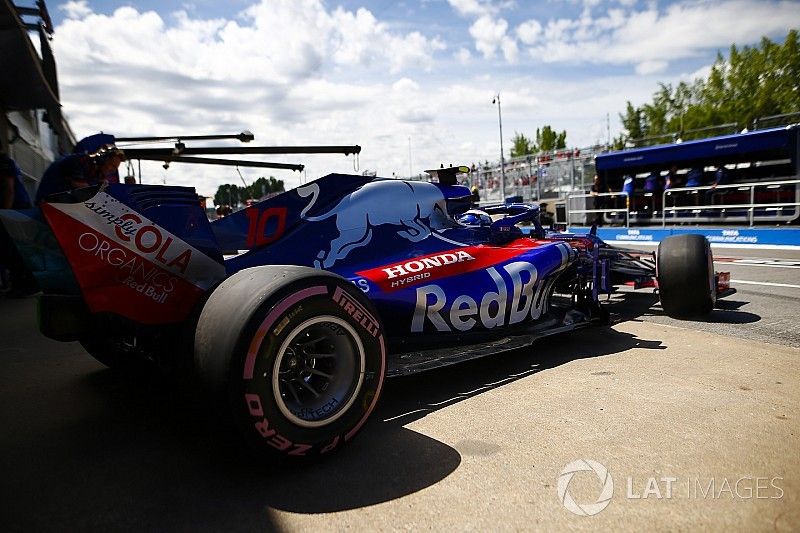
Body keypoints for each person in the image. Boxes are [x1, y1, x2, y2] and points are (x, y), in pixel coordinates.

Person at [0, 152, 37, 296]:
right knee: (15, 249)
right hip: (20, 209)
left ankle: (25, 286)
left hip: (14, 209)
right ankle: (22, 285)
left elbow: (9, 189)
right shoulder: (8, 161)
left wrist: (5, 213)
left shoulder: (3, 163)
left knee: (12, 250)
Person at [35, 146, 125, 204]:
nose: (113, 170)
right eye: (112, 165)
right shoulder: (79, 161)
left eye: (115, 168)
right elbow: (85, 191)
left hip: (59, 205)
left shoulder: (97, 172)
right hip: (46, 204)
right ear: (103, 158)